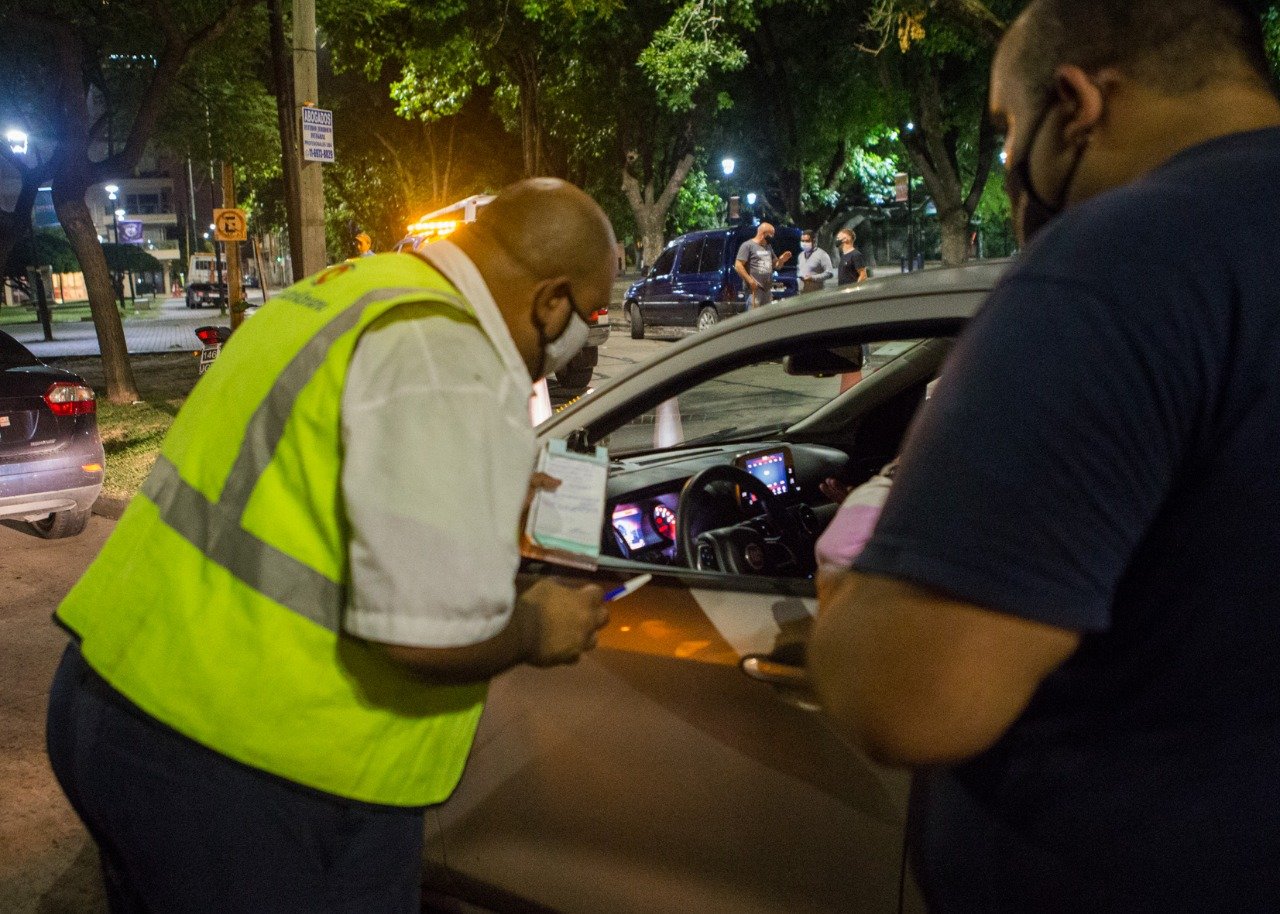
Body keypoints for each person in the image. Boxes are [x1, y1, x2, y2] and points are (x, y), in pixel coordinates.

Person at [809, 1, 1280, 910]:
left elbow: (908, 695)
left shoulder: (1115, 266)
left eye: (1007, 132)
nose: (1011, 167)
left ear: (1076, 107)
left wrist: (848, 600)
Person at [46, 178, 616, 912]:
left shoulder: (358, 289)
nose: (586, 339)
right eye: (591, 314)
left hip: (120, 700)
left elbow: (301, 483)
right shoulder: (451, 357)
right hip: (248, 769)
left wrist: (472, 493)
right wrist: (540, 625)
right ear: (550, 300)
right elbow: (425, 640)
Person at [734, 221, 792, 309]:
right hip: (754, 290)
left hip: (767, 290)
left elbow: (776, 265)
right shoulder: (748, 246)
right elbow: (738, 265)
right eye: (771, 234)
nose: (773, 237)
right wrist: (750, 280)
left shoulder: (768, 247)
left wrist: (781, 260)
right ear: (763, 233)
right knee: (754, 318)